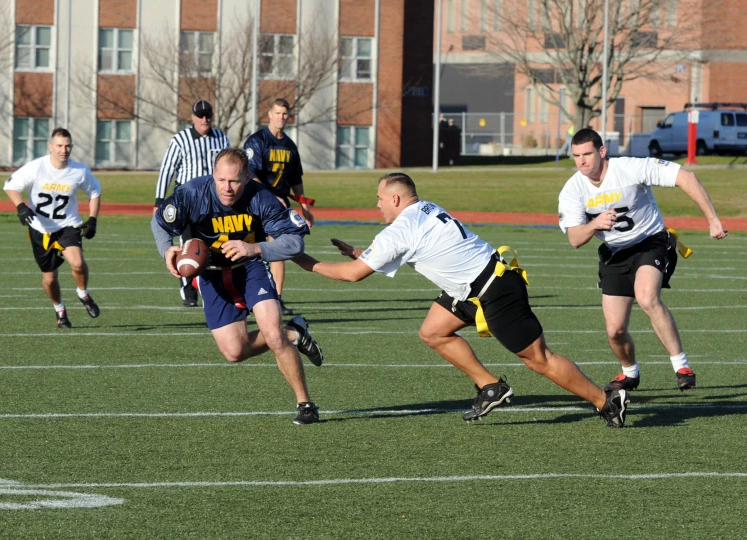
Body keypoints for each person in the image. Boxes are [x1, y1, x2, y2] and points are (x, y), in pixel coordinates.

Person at [292, 172, 629, 427]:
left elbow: (353, 274)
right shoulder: (424, 208)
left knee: (539, 359)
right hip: (473, 286)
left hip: (494, 291)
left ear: (395, 199)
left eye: (379, 198)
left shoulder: (401, 228)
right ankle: (490, 387)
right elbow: (408, 249)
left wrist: (306, 262)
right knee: (433, 332)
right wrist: (359, 253)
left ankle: (605, 400)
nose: (376, 204)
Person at [151, 148, 324, 424]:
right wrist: (166, 250)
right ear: (213, 175)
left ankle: (306, 404)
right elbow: (159, 221)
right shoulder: (192, 193)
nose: (227, 188)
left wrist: (254, 248)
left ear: (246, 177)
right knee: (234, 352)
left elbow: (295, 243)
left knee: (272, 335)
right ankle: (294, 332)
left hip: (251, 268)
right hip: (212, 274)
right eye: (221, 180)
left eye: (234, 181)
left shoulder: (261, 197)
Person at [558, 128, 729, 392]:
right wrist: (594, 224)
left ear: (602, 152)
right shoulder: (572, 190)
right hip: (615, 252)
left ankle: (681, 366)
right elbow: (574, 239)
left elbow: (686, 177)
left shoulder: (629, 168)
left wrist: (712, 219)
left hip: (651, 240)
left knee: (647, 296)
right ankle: (630, 373)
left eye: (587, 154)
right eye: (576, 155)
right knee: (615, 330)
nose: (581, 161)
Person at [3, 127, 101, 328]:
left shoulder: (79, 170)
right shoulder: (36, 167)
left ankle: (83, 293)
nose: (63, 150)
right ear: (50, 147)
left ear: (71, 147)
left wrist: (92, 219)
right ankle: (60, 310)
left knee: (77, 263)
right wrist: (21, 206)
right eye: (59, 146)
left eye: (67, 146)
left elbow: (94, 192)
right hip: (41, 228)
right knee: (49, 278)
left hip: (68, 225)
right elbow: (10, 186)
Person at [154, 99, 231, 307]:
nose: (204, 119)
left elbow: (230, 164)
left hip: (214, 200)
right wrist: (159, 201)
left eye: (208, 115)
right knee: (188, 244)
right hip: (187, 200)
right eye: (200, 115)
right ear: (192, 117)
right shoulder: (180, 139)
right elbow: (167, 171)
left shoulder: (221, 138)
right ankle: (188, 288)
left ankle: (214, 286)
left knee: (213, 242)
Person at [244, 98, 315, 316]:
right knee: (246, 249)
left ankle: (276, 298)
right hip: (254, 202)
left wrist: (305, 206)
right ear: (269, 115)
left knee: (279, 249)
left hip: (279, 207)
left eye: (285, 113)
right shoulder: (257, 141)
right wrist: (271, 196)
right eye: (277, 113)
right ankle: (242, 295)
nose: (281, 117)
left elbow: (296, 180)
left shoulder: (290, 146)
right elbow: (250, 174)